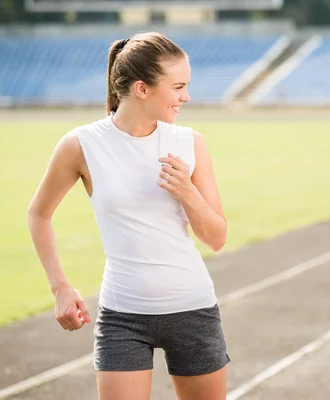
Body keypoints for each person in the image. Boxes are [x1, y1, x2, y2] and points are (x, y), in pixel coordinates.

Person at [27, 32, 229, 400]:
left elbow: (216, 237)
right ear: (142, 88)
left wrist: (187, 192)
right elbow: (39, 213)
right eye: (178, 86)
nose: (186, 96)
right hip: (123, 315)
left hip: (192, 308)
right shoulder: (81, 145)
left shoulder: (189, 142)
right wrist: (59, 286)